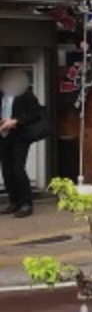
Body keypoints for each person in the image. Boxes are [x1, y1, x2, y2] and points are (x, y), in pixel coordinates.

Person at [0, 69, 44, 218]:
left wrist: (16, 122)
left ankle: (26, 203)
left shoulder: (25, 94)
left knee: (17, 168)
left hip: (20, 135)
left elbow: (35, 114)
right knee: (7, 170)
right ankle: (14, 201)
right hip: (4, 135)